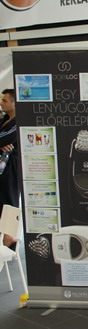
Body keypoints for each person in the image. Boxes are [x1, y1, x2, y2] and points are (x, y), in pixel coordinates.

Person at [0, 88, 19, 248]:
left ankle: (9, 239)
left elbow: (7, 138)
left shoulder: (18, 122)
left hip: (11, 168)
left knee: (10, 202)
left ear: (14, 103)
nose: (1, 103)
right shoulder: (3, 120)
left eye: (4, 100)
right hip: (1, 169)